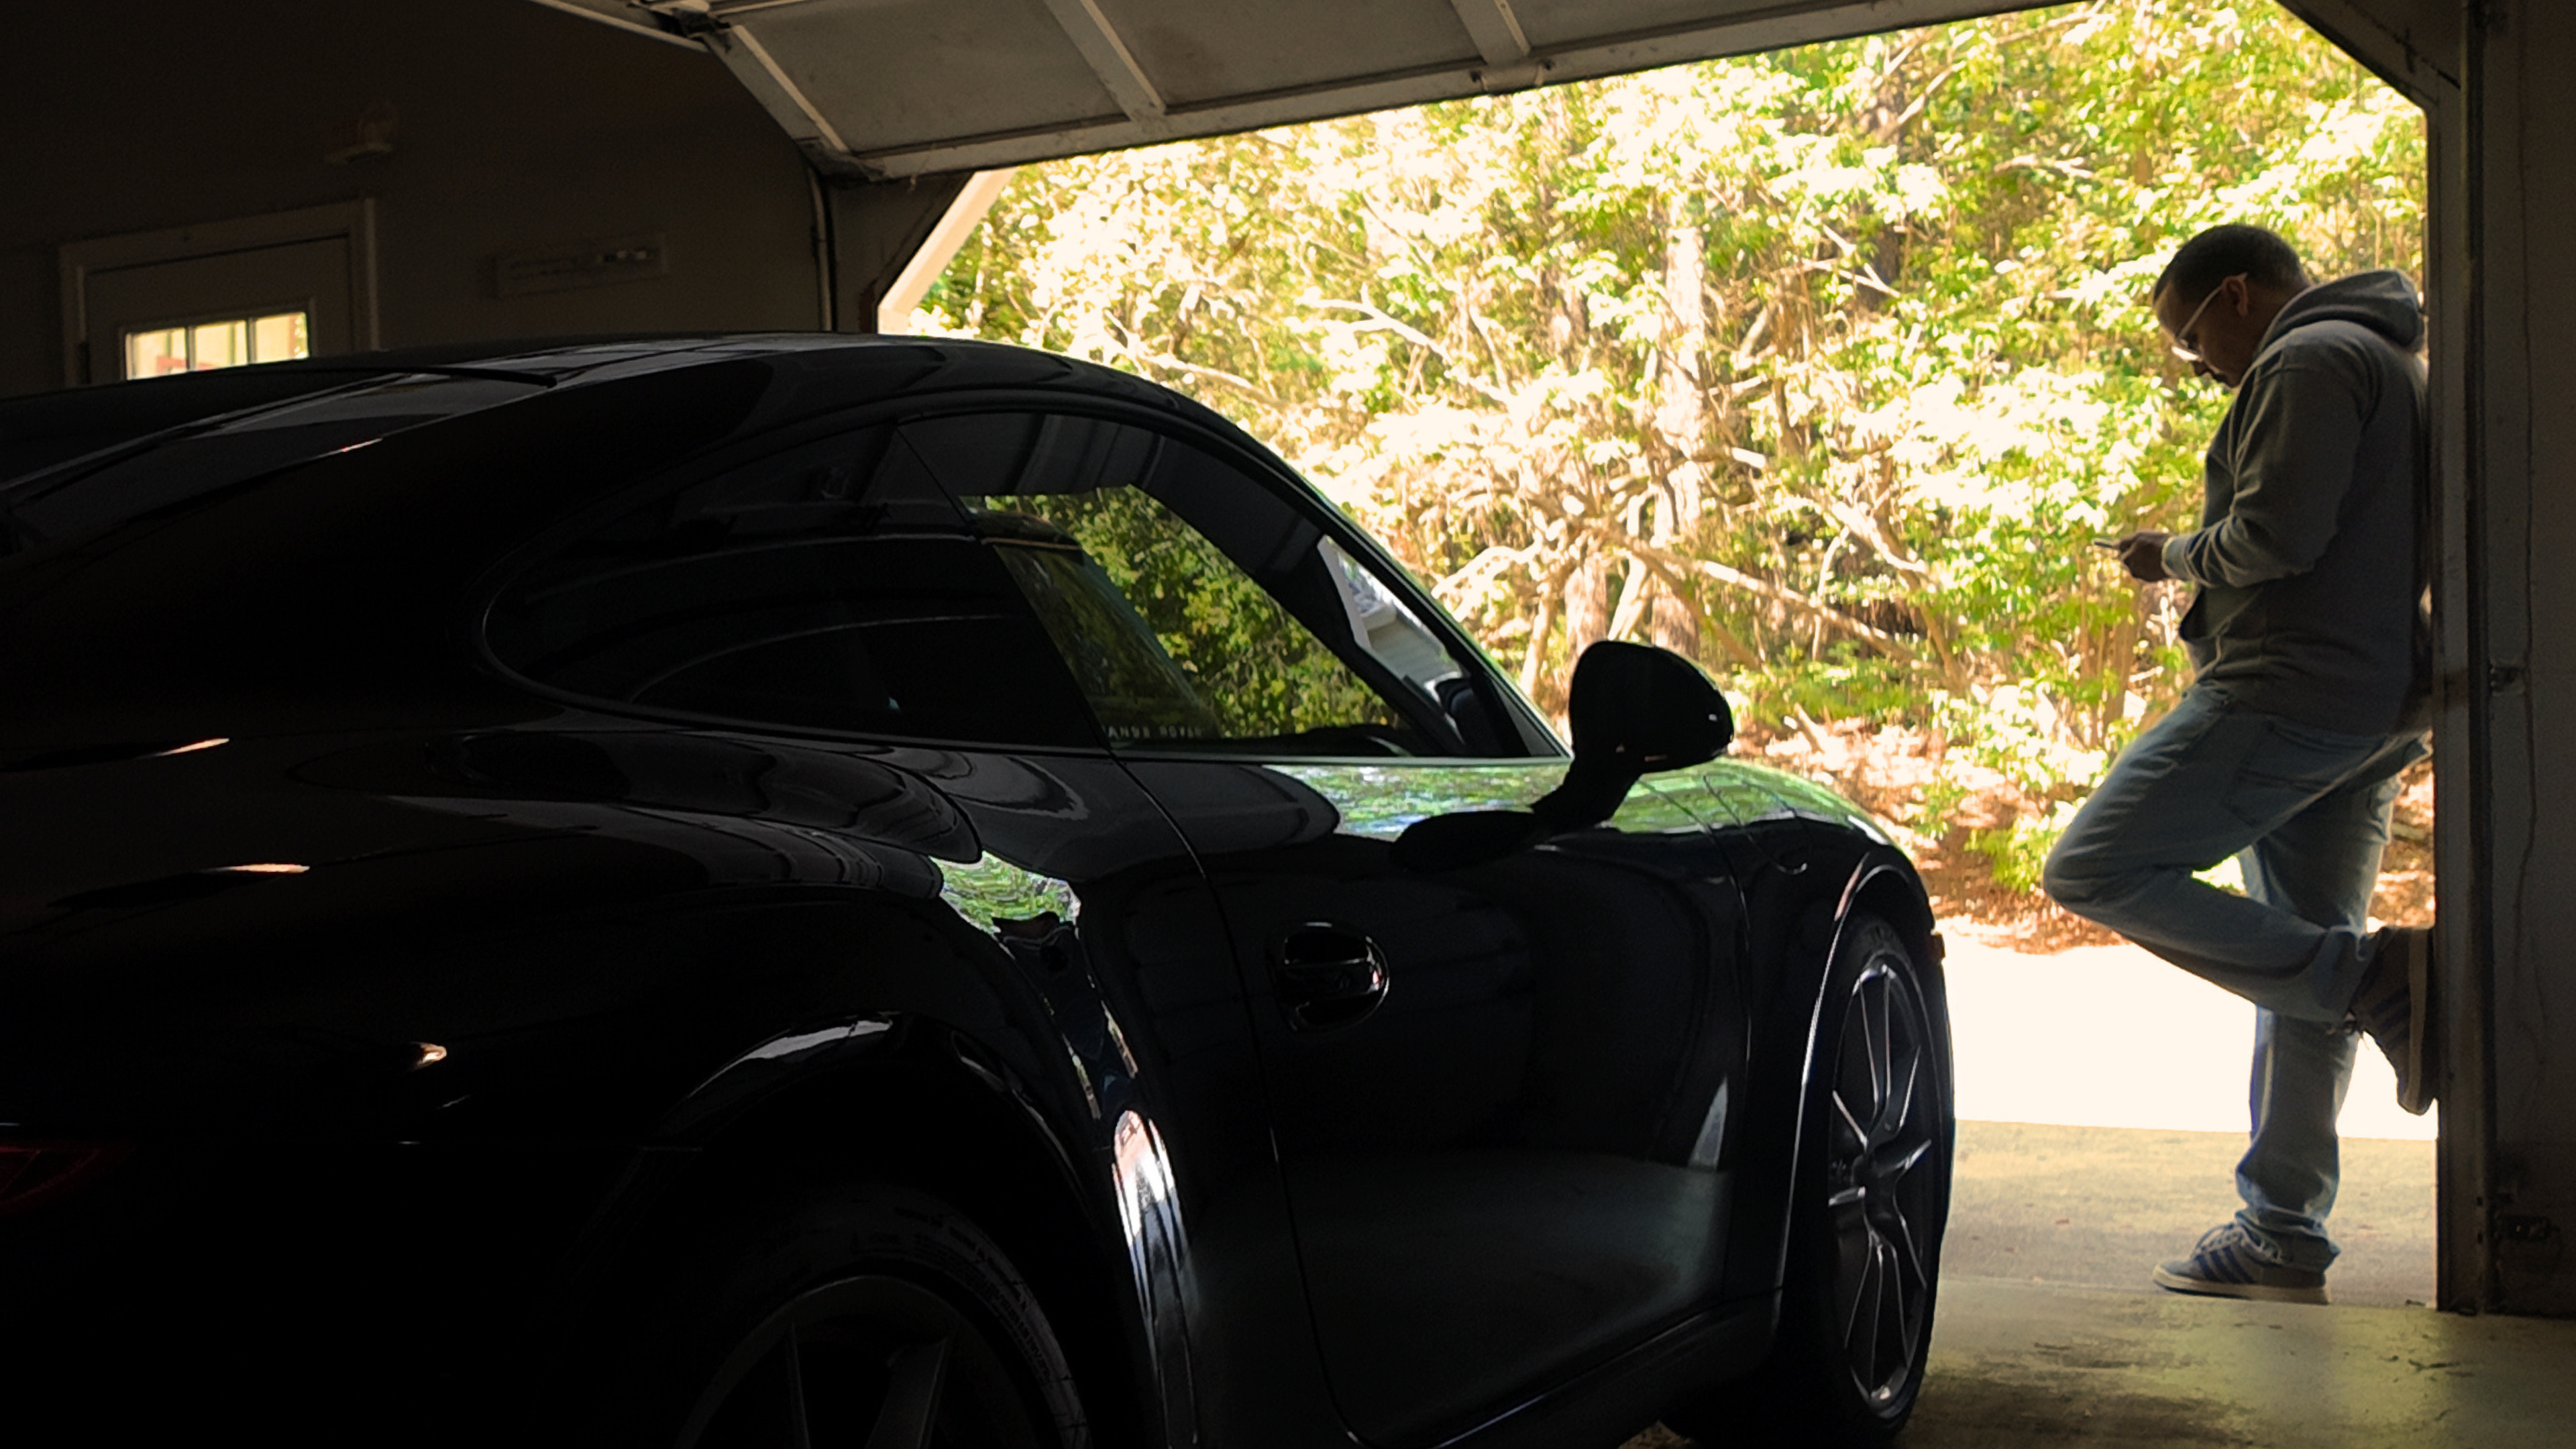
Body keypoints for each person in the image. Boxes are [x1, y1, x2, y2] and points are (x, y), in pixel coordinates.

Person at [2041, 223, 2434, 1306]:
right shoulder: (2389, 361)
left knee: (2090, 870)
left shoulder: (2309, 360)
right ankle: (2281, 1230)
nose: (2197, 362)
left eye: (2189, 337)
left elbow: (2277, 538)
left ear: (2237, 294)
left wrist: (2167, 556)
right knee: (2303, 964)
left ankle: (2376, 980)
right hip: (2366, 703)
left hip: (2284, 690)